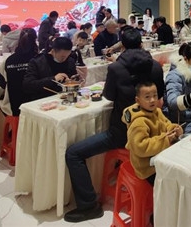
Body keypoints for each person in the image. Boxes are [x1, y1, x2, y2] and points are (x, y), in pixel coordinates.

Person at [64, 28, 165, 223]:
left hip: (123, 133)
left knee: (73, 154)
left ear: (122, 45)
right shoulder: (155, 66)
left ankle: (88, 206)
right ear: (141, 43)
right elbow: (159, 95)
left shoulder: (116, 68)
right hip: (153, 129)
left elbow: (109, 96)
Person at [124, 81, 183, 185]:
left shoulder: (157, 111)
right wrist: (165, 139)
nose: (152, 100)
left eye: (155, 96)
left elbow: (166, 124)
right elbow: (140, 147)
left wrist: (174, 129)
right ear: (138, 100)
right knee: (175, 180)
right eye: (147, 97)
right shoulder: (139, 122)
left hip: (160, 155)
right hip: (147, 168)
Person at [0, 28, 39, 116]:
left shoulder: (8, 60)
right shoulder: (39, 59)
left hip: (14, 106)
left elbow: (1, 81)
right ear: (35, 40)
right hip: (37, 106)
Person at [23, 36, 78, 102]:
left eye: (67, 55)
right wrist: (53, 79)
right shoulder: (37, 62)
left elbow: (73, 77)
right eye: (62, 56)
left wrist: (73, 80)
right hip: (44, 99)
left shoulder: (70, 61)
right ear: (53, 51)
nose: (65, 59)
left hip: (65, 98)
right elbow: (28, 85)